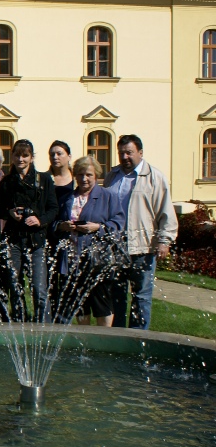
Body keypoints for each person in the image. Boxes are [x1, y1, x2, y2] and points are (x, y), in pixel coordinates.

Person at [103, 134, 178, 329]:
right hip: (116, 246)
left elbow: (165, 211)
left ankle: (138, 340)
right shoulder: (112, 176)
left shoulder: (154, 177)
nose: (125, 157)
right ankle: (118, 338)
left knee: (141, 297)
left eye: (129, 152)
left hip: (143, 247)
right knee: (116, 296)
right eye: (121, 153)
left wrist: (164, 241)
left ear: (140, 153)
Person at [54, 156, 125, 327]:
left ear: (96, 176)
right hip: (72, 259)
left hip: (97, 259)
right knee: (80, 305)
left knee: (102, 304)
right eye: (80, 175)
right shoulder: (68, 198)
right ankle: (84, 344)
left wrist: (98, 227)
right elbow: (54, 222)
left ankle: (104, 342)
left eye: (88, 175)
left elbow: (119, 224)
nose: (84, 179)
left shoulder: (108, 197)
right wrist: (62, 226)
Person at [0, 139, 59, 323]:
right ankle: (20, 325)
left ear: (31, 157)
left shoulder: (44, 180)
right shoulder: (7, 181)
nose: (20, 159)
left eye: (25, 155)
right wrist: (10, 213)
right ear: (12, 156)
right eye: (17, 155)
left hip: (36, 241)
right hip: (14, 240)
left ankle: (43, 330)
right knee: (15, 287)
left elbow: (53, 209)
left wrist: (40, 220)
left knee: (39, 289)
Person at [49, 141, 75, 209]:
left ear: (69, 157)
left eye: (59, 154)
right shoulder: (44, 179)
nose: (55, 157)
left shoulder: (77, 178)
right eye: (52, 154)